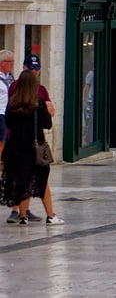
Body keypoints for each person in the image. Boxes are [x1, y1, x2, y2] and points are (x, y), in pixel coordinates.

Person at [1, 70, 52, 225]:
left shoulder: (13, 103)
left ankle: (23, 216)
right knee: (42, 181)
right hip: (34, 149)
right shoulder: (38, 103)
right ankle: (51, 215)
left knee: (20, 180)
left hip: (15, 147)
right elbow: (47, 124)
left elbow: (8, 123)